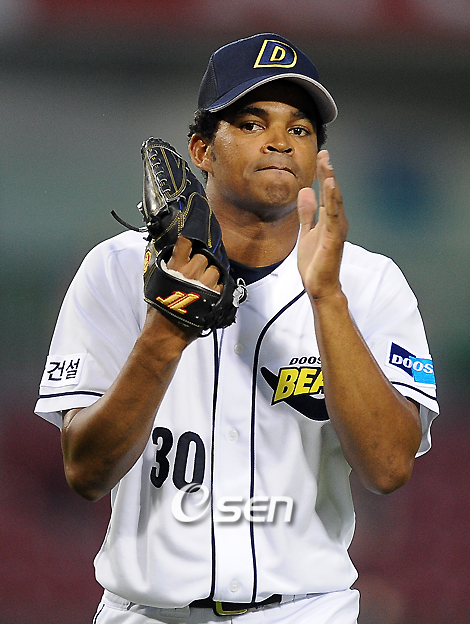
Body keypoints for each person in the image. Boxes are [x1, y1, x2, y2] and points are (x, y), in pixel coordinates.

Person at [35, 33, 439, 624]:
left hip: (305, 612)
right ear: (201, 149)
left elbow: (388, 468)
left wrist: (327, 300)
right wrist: (164, 334)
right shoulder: (117, 269)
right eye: (252, 123)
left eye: (300, 129)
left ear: (316, 157)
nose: (280, 141)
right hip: (147, 612)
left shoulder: (369, 282)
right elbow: (85, 472)